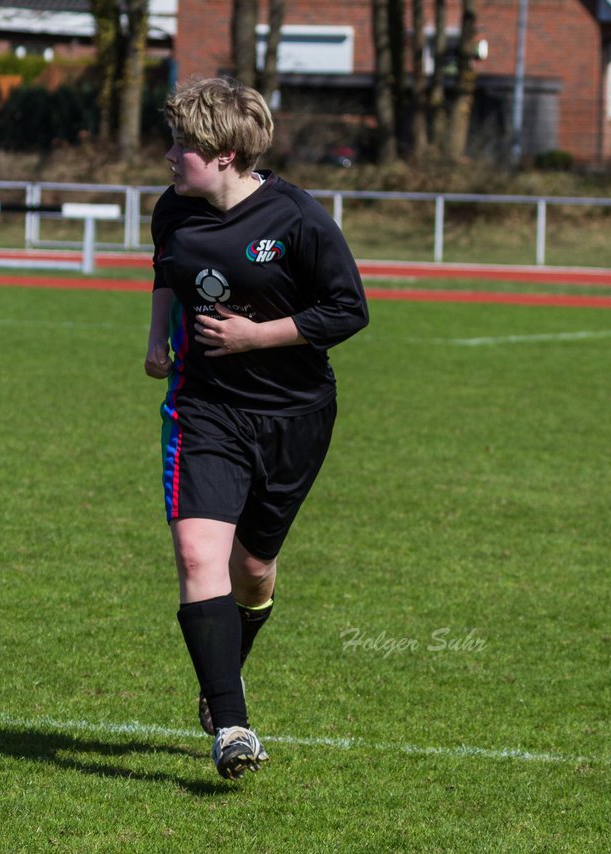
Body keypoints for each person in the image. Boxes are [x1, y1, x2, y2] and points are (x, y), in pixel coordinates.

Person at [144, 78, 369, 780]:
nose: (171, 155)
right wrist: (158, 338)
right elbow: (166, 272)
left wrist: (255, 335)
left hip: (294, 416)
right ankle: (232, 724)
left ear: (229, 155)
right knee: (195, 555)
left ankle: (225, 671)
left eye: (186, 145)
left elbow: (349, 309)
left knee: (253, 568)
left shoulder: (298, 218)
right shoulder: (172, 210)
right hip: (205, 408)